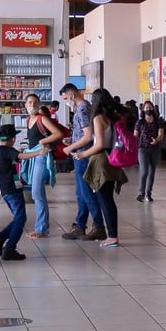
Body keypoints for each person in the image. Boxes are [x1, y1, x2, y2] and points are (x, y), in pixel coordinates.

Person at [0, 125, 49, 261]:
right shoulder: (9, 151)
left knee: (19, 218)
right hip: (13, 190)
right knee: (21, 219)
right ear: (13, 138)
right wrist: (39, 153)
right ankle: (10, 248)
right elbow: (22, 156)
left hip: (6, 191)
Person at [74, 88, 128, 248]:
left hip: (101, 161)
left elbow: (99, 144)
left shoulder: (98, 118)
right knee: (108, 200)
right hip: (112, 160)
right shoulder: (112, 117)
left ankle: (112, 236)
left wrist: (82, 155)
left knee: (105, 201)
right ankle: (113, 234)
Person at [60, 83, 106, 241]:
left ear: (72, 95)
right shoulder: (83, 108)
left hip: (83, 156)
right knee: (80, 193)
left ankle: (98, 225)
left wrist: (70, 147)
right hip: (79, 154)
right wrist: (71, 141)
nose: (66, 101)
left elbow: (88, 136)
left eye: (66, 98)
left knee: (86, 192)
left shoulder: (82, 109)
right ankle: (80, 225)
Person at [22, 94, 64, 240]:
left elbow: (58, 134)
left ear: (39, 104)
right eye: (29, 102)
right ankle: (42, 227)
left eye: (34, 102)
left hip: (41, 156)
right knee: (38, 193)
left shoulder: (42, 119)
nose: (31, 105)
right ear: (25, 104)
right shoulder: (28, 120)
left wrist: (43, 141)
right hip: (33, 156)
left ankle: (41, 229)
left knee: (37, 194)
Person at [134, 101, 164, 202]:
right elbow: (135, 135)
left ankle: (148, 193)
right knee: (144, 171)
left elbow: (161, 134)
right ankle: (141, 193)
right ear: (143, 110)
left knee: (152, 172)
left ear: (153, 109)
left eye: (150, 107)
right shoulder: (140, 122)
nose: (148, 109)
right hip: (142, 149)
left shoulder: (158, 121)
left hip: (155, 149)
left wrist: (157, 140)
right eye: (146, 108)